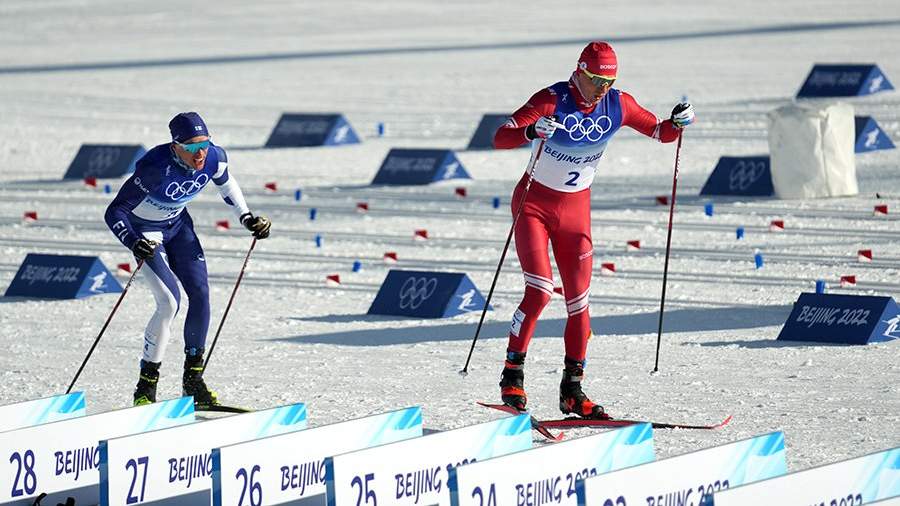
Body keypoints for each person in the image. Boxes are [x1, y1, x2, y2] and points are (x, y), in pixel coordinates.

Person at [492, 41, 694, 418]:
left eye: (609, 81)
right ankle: (512, 374)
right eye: (596, 80)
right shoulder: (551, 100)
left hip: (575, 211)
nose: (603, 88)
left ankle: (572, 390)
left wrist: (678, 123)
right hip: (533, 205)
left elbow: (661, 132)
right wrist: (531, 131)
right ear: (580, 72)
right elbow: (500, 136)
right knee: (539, 292)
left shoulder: (619, 104)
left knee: (580, 304)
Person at [104, 112, 271, 408]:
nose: (200, 153)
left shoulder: (214, 158)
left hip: (179, 227)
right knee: (169, 302)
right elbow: (115, 211)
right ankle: (146, 388)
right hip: (145, 231)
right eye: (192, 147)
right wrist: (132, 241)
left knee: (201, 295)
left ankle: (193, 383)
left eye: (204, 144)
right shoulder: (155, 168)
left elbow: (227, 184)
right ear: (175, 146)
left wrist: (247, 218)